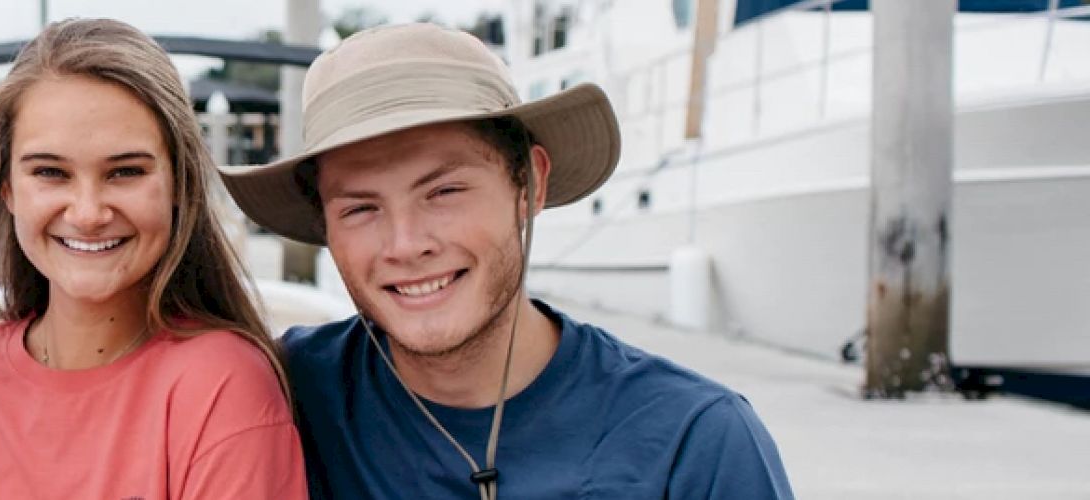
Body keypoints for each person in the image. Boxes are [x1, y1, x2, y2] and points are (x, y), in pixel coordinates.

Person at [217, 23, 794, 499]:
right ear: (325, 225)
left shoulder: (694, 443)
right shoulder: (276, 396)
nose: (405, 244)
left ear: (530, 185)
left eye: (444, 192)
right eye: (361, 209)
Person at [0, 18, 306, 500]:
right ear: (7, 188)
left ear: (178, 184)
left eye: (124, 172)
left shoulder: (222, 387)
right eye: (51, 172)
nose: (89, 213)